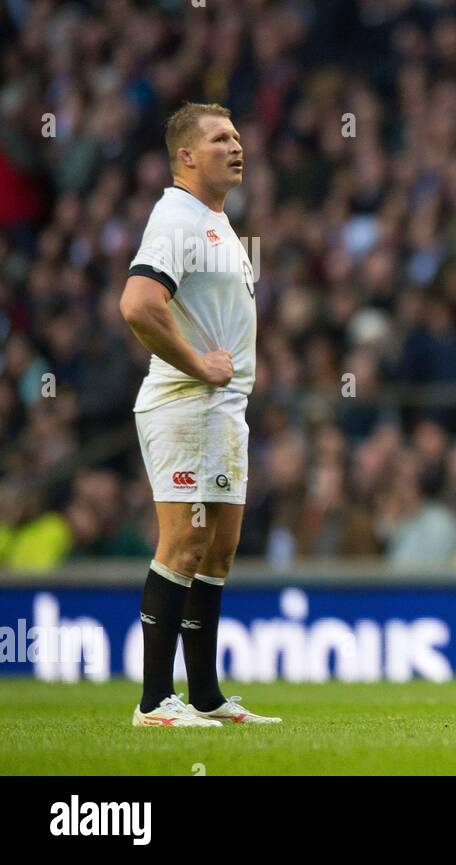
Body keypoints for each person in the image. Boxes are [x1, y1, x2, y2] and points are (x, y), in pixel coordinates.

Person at [120, 102, 279, 727]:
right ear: (186, 156)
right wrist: (196, 364)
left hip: (223, 408)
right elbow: (138, 303)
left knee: (219, 548)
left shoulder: (218, 224)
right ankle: (155, 701)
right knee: (183, 541)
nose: (236, 146)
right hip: (186, 403)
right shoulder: (176, 216)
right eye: (219, 139)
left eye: (238, 136)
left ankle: (206, 697)